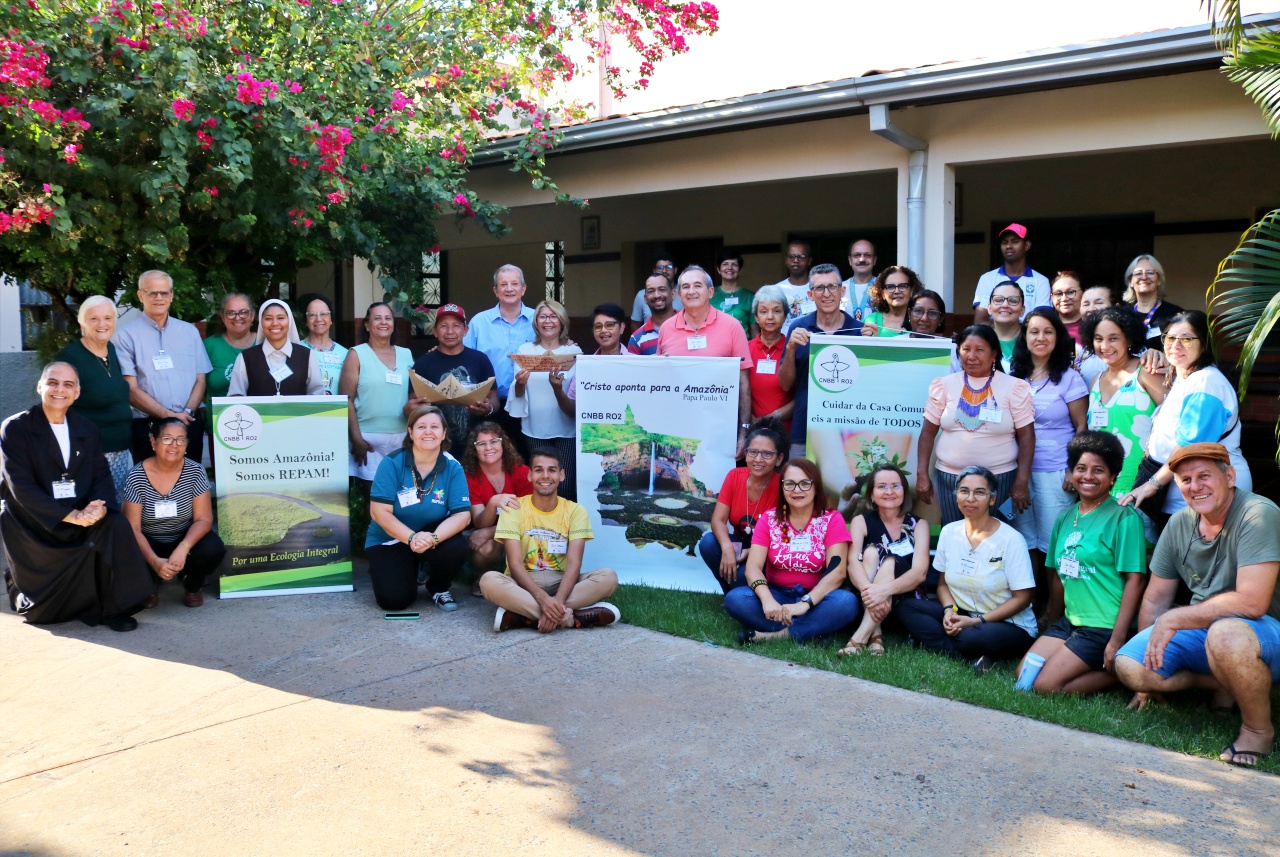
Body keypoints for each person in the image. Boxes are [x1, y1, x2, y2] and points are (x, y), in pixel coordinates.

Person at [1115, 443, 1280, 769]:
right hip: (1210, 628)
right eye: (1186, 479)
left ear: (1230, 476)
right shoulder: (1179, 523)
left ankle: (1257, 729)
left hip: (1265, 629)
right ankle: (1223, 682)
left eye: (1205, 475)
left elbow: (1253, 602)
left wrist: (1176, 618)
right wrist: (1153, 655)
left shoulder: (1258, 513)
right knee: (1129, 666)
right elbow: (1156, 597)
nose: (1195, 486)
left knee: (1226, 635)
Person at [0, 362, 153, 631]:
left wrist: (99, 507)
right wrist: (69, 515)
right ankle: (17, 582)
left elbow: (100, 475)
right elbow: (19, 486)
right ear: (40, 387)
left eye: (68, 384)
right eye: (53, 382)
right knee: (43, 615)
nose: (60, 389)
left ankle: (115, 606)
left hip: (81, 513)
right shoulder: (14, 428)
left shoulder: (87, 428)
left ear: (77, 393)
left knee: (116, 524)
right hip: (35, 521)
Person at [1018, 432, 1147, 693]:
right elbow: (1056, 574)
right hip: (1071, 621)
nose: (1088, 476)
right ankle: (1090, 662)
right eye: (1081, 469)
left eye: (1098, 470)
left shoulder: (1124, 518)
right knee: (1023, 676)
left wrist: (1117, 639)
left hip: (1104, 625)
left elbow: (1136, 580)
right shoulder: (1065, 517)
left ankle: (1121, 671)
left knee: (1045, 686)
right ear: (1072, 473)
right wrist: (1054, 624)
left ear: (1112, 477)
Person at [897, 466, 1038, 671]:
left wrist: (977, 621)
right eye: (964, 491)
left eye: (979, 492)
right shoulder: (949, 532)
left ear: (992, 499)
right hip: (962, 612)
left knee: (973, 636)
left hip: (1007, 624)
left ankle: (935, 641)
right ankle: (971, 655)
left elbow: (1022, 598)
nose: (970, 498)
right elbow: (943, 584)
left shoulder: (1011, 540)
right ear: (956, 497)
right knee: (907, 607)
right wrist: (948, 611)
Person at [1120, 310, 1251, 526]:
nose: (1176, 345)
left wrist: (1152, 484)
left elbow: (1190, 446)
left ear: (1205, 345)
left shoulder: (1206, 383)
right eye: (1170, 338)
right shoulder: (1185, 378)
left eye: (1187, 339)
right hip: (1184, 491)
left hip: (1206, 491)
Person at [479, 447, 621, 633]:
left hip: (561, 581)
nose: (545, 476)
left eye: (552, 470)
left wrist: (557, 600)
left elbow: (574, 563)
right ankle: (570, 618)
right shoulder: (513, 508)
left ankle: (525, 617)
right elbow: (514, 564)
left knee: (608, 577)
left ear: (561, 475)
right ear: (529, 475)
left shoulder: (575, 511)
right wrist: (543, 599)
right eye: (539, 470)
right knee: (488, 581)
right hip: (523, 582)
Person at [725, 457, 860, 645]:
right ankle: (812, 631)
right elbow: (753, 568)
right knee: (735, 599)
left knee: (846, 602)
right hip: (777, 594)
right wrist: (767, 600)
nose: (797, 490)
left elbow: (837, 572)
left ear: (816, 487)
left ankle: (776, 636)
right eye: (790, 484)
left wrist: (804, 604)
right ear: (782, 488)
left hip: (817, 597)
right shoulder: (769, 519)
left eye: (805, 483)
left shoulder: (832, 519)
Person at [917, 325, 1035, 526]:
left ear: (994, 354)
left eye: (979, 350)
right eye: (966, 349)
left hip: (1000, 480)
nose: (971, 356)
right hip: (950, 481)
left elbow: (1027, 437)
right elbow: (927, 433)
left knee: (996, 541)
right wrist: (922, 474)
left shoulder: (1014, 387)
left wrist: (1022, 481)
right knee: (955, 535)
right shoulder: (944, 385)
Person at [1008, 309, 1088, 589]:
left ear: (1058, 336)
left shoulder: (1070, 378)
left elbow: (1081, 428)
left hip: (1054, 472)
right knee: (1024, 540)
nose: (1040, 337)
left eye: (1048, 331)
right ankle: (1029, 600)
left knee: (1053, 543)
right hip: (1016, 471)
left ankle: (1056, 610)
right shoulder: (1011, 373)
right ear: (1024, 336)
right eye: (1034, 331)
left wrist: (1072, 469)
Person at [365, 405, 471, 612]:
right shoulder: (392, 463)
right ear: (411, 432)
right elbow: (378, 512)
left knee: (457, 544)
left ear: (444, 433)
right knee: (394, 601)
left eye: (434, 426)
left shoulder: (453, 467)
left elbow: (463, 516)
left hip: (431, 536)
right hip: (391, 538)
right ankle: (404, 569)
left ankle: (438, 587)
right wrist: (412, 538)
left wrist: (433, 538)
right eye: (421, 426)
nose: (428, 432)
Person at [122, 418, 226, 608]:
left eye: (181, 440)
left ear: (187, 444)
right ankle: (151, 582)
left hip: (183, 538)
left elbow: (203, 519)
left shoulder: (195, 471)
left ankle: (192, 585)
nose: (174, 445)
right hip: (149, 541)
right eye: (167, 439)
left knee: (213, 548)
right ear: (154, 443)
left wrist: (183, 548)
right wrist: (154, 561)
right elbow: (133, 528)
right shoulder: (137, 475)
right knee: (127, 549)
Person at [115, 270, 212, 463]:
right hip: (148, 425)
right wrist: (168, 416)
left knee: (189, 484)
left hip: (189, 423)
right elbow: (130, 389)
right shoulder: (124, 336)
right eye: (152, 293)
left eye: (164, 292)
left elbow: (200, 379)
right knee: (150, 488)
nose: (159, 298)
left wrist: (187, 413)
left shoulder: (190, 332)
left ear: (172, 295)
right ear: (140, 295)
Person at [657, 265, 754, 456]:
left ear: (710, 292)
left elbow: (744, 383)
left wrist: (744, 431)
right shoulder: (666, 329)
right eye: (685, 287)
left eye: (697, 286)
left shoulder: (732, 327)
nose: (691, 291)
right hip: (676, 430)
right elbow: (661, 380)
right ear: (677, 294)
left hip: (720, 429)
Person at [839, 463, 931, 656]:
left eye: (895, 486)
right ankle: (876, 634)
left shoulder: (919, 525)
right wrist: (871, 593)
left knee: (890, 561)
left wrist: (881, 592)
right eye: (882, 486)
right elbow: (853, 563)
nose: (889, 491)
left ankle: (859, 638)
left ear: (904, 492)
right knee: (871, 552)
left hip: (905, 602)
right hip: (869, 600)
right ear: (872, 494)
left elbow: (919, 573)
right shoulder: (861, 521)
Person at [1078, 308, 1165, 497]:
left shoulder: (1146, 372)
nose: (1105, 345)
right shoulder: (1095, 380)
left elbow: (1173, 421)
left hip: (1140, 485)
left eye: (1113, 338)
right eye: (1099, 338)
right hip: (1100, 486)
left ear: (1130, 339)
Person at [55, 295, 134, 496]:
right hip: (91, 453)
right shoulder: (70, 357)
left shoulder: (111, 350)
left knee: (116, 512)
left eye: (108, 318)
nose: (102, 324)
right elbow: (57, 407)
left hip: (121, 449)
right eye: (94, 319)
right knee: (97, 511)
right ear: (82, 323)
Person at [777, 263, 857, 460]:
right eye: (819, 288)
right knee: (798, 487)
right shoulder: (798, 327)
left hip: (849, 432)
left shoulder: (859, 331)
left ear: (842, 291)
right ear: (810, 295)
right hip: (804, 428)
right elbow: (785, 385)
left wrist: (874, 343)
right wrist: (790, 348)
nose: (826, 293)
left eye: (832, 287)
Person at [698, 417, 785, 594]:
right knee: (708, 543)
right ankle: (732, 595)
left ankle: (740, 597)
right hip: (739, 546)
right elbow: (718, 520)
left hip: (766, 554)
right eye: (753, 452)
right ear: (745, 454)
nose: (758, 459)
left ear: (779, 459)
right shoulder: (735, 476)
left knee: (746, 576)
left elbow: (783, 539)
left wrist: (751, 552)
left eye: (767, 454)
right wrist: (727, 547)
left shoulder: (784, 487)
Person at [507, 299, 581, 500]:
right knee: (541, 481)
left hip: (567, 428)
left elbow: (580, 394)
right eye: (543, 316)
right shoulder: (525, 351)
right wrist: (520, 383)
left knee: (564, 484)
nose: (548, 321)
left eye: (553, 316)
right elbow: (519, 394)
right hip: (535, 427)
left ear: (562, 321)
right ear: (536, 322)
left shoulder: (574, 352)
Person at [340, 302, 416, 488]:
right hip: (368, 440)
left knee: (402, 494)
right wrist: (356, 439)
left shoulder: (406, 354)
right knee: (372, 497)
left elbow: (415, 393)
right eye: (377, 318)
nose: (383, 322)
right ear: (367, 325)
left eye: (388, 318)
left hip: (402, 438)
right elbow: (346, 400)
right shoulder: (356, 354)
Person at [406, 303, 499, 453]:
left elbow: (493, 397)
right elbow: (412, 404)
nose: (450, 331)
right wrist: (411, 409)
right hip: (436, 444)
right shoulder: (423, 363)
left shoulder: (480, 360)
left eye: (456, 325)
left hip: (475, 443)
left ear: (466, 330)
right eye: (443, 326)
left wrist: (487, 408)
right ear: (435, 331)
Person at [463, 264, 537, 448]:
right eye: (503, 285)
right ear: (496, 291)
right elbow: (463, 356)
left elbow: (556, 342)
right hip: (490, 405)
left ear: (523, 288)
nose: (509, 289)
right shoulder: (480, 322)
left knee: (526, 458)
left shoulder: (539, 319)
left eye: (515, 283)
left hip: (530, 405)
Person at [461, 422, 531, 582]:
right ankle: (483, 576)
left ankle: (521, 578)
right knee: (484, 549)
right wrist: (493, 503)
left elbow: (529, 516)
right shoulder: (469, 476)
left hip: (520, 529)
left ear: (503, 443)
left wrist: (489, 532)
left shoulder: (522, 471)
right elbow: (479, 523)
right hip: (488, 532)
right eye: (481, 444)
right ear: (474, 448)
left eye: (494, 441)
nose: (488, 448)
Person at [227, 298, 325, 396]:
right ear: (261, 323)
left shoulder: (306, 355)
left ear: (289, 321)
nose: (275, 323)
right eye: (268, 318)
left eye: (280, 318)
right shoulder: (245, 358)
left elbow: (317, 395)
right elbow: (235, 397)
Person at [973, 223, 1050, 325]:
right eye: (1004, 242)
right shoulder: (987, 279)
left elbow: (1041, 323)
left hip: (1026, 341)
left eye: (1015, 241)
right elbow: (980, 321)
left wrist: (1005, 326)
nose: (1008, 246)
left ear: (1027, 245)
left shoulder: (1041, 281)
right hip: (994, 340)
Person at [745, 286, 794, 433]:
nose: (770, 316)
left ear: (785, 316)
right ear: (756, 317)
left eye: (777, 311)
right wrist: (751, 419)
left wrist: (772, 418)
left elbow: (803, 397)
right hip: (753, 432)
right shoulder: (745, 349)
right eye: (764, 311)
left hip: (786, 432)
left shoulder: (793, 349)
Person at [562, 303, 630, 402]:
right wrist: (558, 390)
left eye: (609, 325)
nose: (603, 330)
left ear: (622, 327)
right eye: (598, 326)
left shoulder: (636, 363)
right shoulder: (585, 366)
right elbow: (573, 403)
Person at [203, 292, 255, 412]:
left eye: (243, 312)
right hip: (217, 423)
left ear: (252, 315)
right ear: (222, 317)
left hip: (263, 421)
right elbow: (198, 386)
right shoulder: (209, 346)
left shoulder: (264, 344)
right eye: (231, 313)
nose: (237, 317)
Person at [1122, 254, 1183, 350]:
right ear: (1131, 282)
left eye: (1150, 273)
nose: (1144, 277)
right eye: (1138, 273)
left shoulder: (1176, 314)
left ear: (1159, 280)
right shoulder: (1122, 315)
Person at [299, 294, 348, 396]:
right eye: (312, 315)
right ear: (306, 321)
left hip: (338, 411)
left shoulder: (345, 354)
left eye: (324, 314)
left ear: (331, 319)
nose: (318, 319)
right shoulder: (297, 350)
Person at [860, 265, 924, 337]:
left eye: (902, 286)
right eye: (890, 287)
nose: (897, 291)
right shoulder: (872, 320)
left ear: (911, 291)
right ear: (882, 293)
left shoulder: (921, 320)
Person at [1075, 285, 1117, 387]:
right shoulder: (1085, 347)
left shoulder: (1127, 344)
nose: (1091, 309)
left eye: (1099, 302)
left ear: (1116, 307)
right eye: (1086, 304)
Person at [627, 275, 678, 356]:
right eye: (651, 291)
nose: (657, 295)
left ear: (673, 294)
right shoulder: (636, 339)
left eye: (662, 289)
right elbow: (633, 368)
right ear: (645, 299)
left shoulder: (691, 326)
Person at [630, 254, 682, 332]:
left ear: (675, 270)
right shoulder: (641, 295)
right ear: (654, 270)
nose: (664, 271)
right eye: (660, 268)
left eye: (669, 267)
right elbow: (635, 324)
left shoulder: (685, 292)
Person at [711, 250, 755, 336]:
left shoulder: (750, 297)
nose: (729, 268)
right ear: (718, 269)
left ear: (740, 270)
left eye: (734, 264)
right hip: (717, 346)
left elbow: (754, 329)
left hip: (742, 346)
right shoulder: (709, 295)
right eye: (725, 264)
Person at [774, 239, 813, 328]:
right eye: (791, 256)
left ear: (809, 261)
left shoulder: (818, 288)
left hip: (811, 340)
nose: (796, 260)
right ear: (786, 260)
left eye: (801, 256)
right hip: (785, 341)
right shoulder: (776, 290)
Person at [985, 280, 1025, 363]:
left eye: (1013, 301)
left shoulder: (1033, 341)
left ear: (1022, 310)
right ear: (989, 308)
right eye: (998, 300)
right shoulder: (980, 340)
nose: (1005, 305)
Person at [843, 238, 878, 325]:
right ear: (850, 260)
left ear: (874, 260)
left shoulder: (884, 287)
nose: (862, 259)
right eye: (857, 255)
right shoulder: (839, 288)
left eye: (867, 255)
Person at [1049, 271, 1085, 346]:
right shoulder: (1047, 326)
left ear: (1083, 294)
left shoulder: (1092, 325)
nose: (1064, 298)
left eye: (1070, 292)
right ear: (1051, 297)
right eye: (1058, 294)